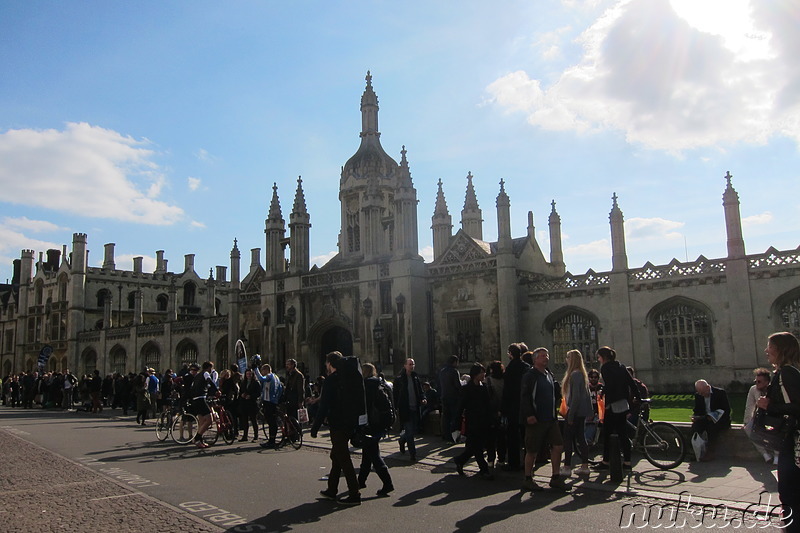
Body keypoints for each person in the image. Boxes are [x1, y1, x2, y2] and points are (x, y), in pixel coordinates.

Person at [756, 332, 800, 532]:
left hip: (793, 440)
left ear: (780, 349)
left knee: (789, 491)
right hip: (789, 439)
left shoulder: (787, 373)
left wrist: (769, 406)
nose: (766, 351)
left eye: (770, 347)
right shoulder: (787, 372)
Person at [311, 351, 362, 506]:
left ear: (330, 364)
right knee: (337, 456)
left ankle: (355, 493)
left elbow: (324, 406)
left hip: (338, 424)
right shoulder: (349, 378)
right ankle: (331, 489)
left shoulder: (331, 380)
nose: (325, 365)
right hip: (351, 422)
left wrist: (315, 427)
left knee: (344, 458)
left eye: (326, 363)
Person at [520, 348, 567, 491]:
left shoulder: (549, 374)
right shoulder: (530, 375)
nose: (545, 358)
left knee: (558, 446)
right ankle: (528, 478)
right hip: (536, 418)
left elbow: (556, 392)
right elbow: (525, 396)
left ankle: (555, 477)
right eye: (542, 356)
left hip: (550, 418)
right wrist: (529, 414)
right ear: (535, 359)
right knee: (532, 450)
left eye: (547, 355)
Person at [596, 346, 640, 470]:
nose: (598, 360)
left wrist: (603, 392)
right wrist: (638, 397)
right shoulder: (621, 366)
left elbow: (610, 384)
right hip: (623, 403)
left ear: (603, 357)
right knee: (623, 434)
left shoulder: (605, 368)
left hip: (612, 404)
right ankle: (627, 462)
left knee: (608, 433)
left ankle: (606, 461)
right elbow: (631, 382)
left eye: (599, 357)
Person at [357, 363, 394, 496]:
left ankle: (388, 483)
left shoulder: (367, 385)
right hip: (380, 423)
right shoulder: (380, 383)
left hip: (371, 424)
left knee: (373, 454)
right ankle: (360, 481)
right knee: (367, 453)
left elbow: (363, 406)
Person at [453, 363, 493, 479]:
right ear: (475, 374)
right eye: (481, 372)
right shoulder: (467, 389)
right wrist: (457, 422)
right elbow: (461, 406)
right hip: (472, 421)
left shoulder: (483, 387)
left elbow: (487, 405)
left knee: (474, 446)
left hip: (483, 420)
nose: (484, 375)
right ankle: (484, 469)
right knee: (477, 446)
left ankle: (460, 460)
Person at [561, 349, 592, 476]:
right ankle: (584, 466)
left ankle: (567, 467)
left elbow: (576, 397)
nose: (566, 360)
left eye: (568, 357)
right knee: (580, 438)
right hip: (580, 412)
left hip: (575, 412)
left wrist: (571, 414)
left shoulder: (575, 374)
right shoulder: (580, 374)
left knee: (568, 439)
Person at [501, 343, 530, 471]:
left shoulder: (509, 369)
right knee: (526, 435)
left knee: (513, 436)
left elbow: (506, 390)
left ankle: (513, 463)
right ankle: (528, 462)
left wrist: (503, 409)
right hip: (525, 404)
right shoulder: (526, 367)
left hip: (513, 406)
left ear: (510, 354)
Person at [394, 358, 426, 462]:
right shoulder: (399, 379)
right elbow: (395, 395)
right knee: (410, 431)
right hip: (405, 408)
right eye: (410, 364)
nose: (411, 366)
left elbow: (420, 390)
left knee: (413, 430)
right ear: (405, 365)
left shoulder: (415, 377)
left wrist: (423, 398)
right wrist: (395, 407)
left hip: (415, 407)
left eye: (413, 364)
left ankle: (402, 440)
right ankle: (413, 454)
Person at [691, 379, 731, 461]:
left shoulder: (720, 393)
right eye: (700, 393)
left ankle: (710, 453)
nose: (702, 394)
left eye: (703, 392)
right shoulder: (698, 395)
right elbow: (697, 410)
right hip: (705, 418)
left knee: (712, 428)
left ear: (708, 387)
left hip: (720, 420)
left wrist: (713, 416)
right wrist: (695, 417)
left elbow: (726, 410)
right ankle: (696, 452)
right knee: (695, 427)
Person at [744, 367, 776, 463]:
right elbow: (749, 406)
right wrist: (747, 421)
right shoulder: (753, 390)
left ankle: (777, 454)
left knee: (777, 431)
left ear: (767, 382)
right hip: (760, 416)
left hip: (774, 417)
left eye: (759, 382)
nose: (756, 384)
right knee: (748, 429)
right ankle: (764, 454)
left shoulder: (774, 390)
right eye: (756, 381)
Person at [254, 362, 283, 448]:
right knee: (272, 421)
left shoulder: (269, 376)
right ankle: (271, 439)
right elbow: (280, 389)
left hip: (269, 401)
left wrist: (255, 369)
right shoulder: (276, 377)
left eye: (262, 370)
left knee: (271, 422)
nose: (262, 372)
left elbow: (261, 379)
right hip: (273, 401)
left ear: (266, 370)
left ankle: (271, 441)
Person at [189, 361, 218, 448]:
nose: (211, 370)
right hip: (201, 399)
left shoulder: (197, 375)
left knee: (202, 422)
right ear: (208, 368)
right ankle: (197, 438)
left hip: (194, 399)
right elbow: (210, 381)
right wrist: (216, 390)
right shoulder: (205, 373)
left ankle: (200, 441)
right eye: (211, 368)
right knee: (209, 420)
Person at [485, 360, 506, 466]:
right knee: (502, 437)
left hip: (491, 413)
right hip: (503, 411)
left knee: (490, 438)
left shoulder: (488, 381)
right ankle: (501, 459)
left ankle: (491, 459)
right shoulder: (505, 380)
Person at [438, 355, 462, 444]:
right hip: (453, 397)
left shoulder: (442, 371)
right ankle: (453, 436)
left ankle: (446, 436)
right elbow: (457, 385)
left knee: (446, 417)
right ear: (455, 362)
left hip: (444, 396)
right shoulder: (454, 371)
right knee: (454, 417)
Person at [239, 369, 261, 442]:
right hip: (244, 403)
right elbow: (241, 391)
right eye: (247, 374)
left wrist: (251, 396)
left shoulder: (256, 383)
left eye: (250, 374)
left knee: (253, 420)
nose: (248, 375)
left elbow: (258, 393)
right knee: (244, 420)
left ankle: (256, 436)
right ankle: (245, 436)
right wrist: (242, 395)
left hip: (252, 403)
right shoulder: (243, 382)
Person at [586, 368, 604, 443]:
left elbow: (602, 403)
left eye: (595, 377)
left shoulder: (601, 388)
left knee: (594, 422)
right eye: (591, 377)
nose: (593, 379)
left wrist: (595, 413)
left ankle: (588, 439)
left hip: (599, 412)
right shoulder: (586, 388)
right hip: (588, 411)